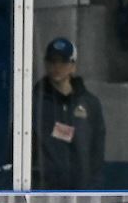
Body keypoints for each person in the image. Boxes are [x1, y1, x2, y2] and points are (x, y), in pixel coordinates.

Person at [32, 37, 106, 190]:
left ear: (73, 66)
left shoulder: (90, 103)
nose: (57, 66)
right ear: (45, 63)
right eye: (52, 61)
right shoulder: (33, 102)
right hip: (44, 189)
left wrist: (94, 186)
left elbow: (97, 148)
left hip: (82, 189)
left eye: (63, 62)